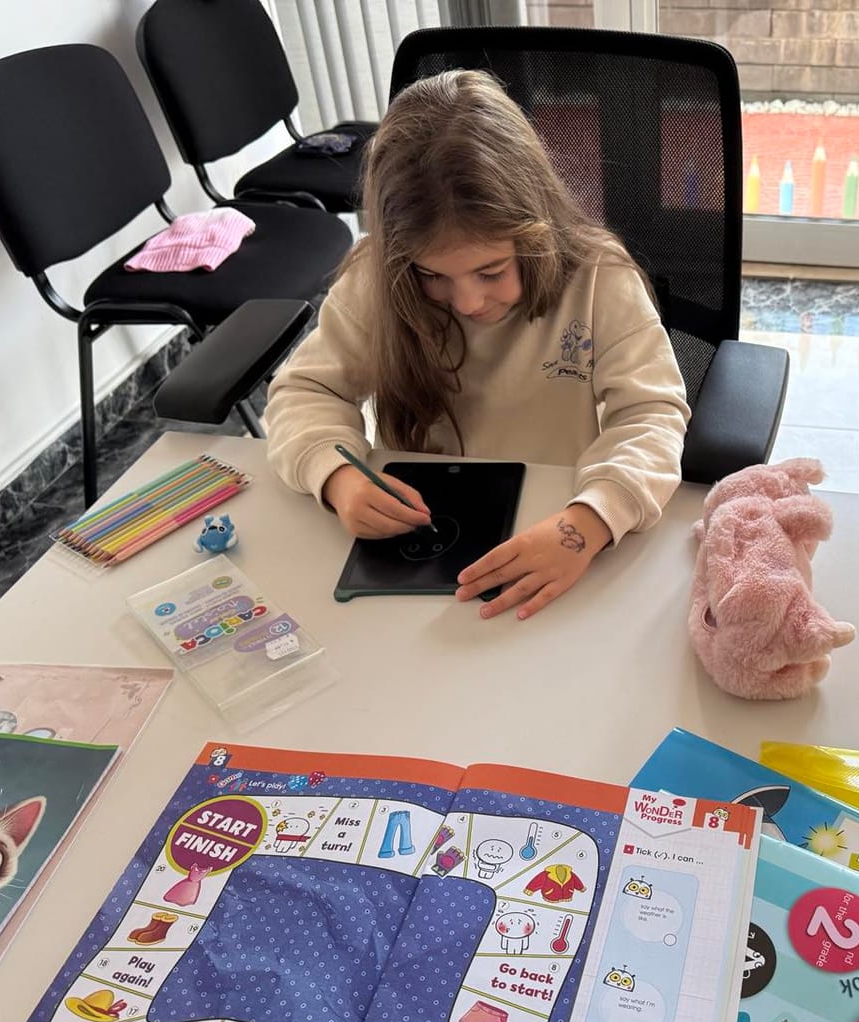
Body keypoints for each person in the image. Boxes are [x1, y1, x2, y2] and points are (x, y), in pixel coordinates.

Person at [265, 70, 690, 620]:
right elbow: (303, 393)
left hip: (561, 520)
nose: (467, 301)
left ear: (536, 229)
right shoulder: (378, 281)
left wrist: (588, 523)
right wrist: (337, 475)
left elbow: (651, 415)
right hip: (419, 539)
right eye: (432, 275)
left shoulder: (599, 277)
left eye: (491, 271)